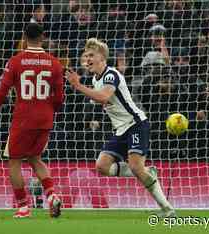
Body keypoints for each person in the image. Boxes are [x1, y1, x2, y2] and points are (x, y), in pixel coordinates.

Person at [66, 38, 175, 216]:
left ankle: (167, 209)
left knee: (135, 166)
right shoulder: (95, 79)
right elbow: (103, 99)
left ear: (103, 58)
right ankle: (145, 172)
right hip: (121, 129)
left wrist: (78, 86)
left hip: (135, 124)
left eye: (91, 55)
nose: (87, 59)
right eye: (86, 56)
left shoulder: (111, 74)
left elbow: (103, 97)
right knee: (101, 166)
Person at [0, 23, 64, 218]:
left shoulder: (16, 61)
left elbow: (1, 93)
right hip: (45, 119)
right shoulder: (55, 63)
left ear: (24, 38)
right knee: (35, 158)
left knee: (15, 161)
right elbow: (60, 98)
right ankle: (52, 196)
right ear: (43, 37)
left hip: (23, 119)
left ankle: (23, 207)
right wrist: (49, 112)